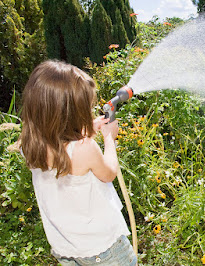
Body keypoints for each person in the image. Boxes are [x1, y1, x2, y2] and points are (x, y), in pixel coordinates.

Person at [20, 60, 137, 265]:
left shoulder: (29, 144)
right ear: (71, 112)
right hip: (104, 250)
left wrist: (90, 128)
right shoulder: (85, 148)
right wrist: (109, 138)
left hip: (68, 249)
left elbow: (60, 139)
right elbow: (109, 173)